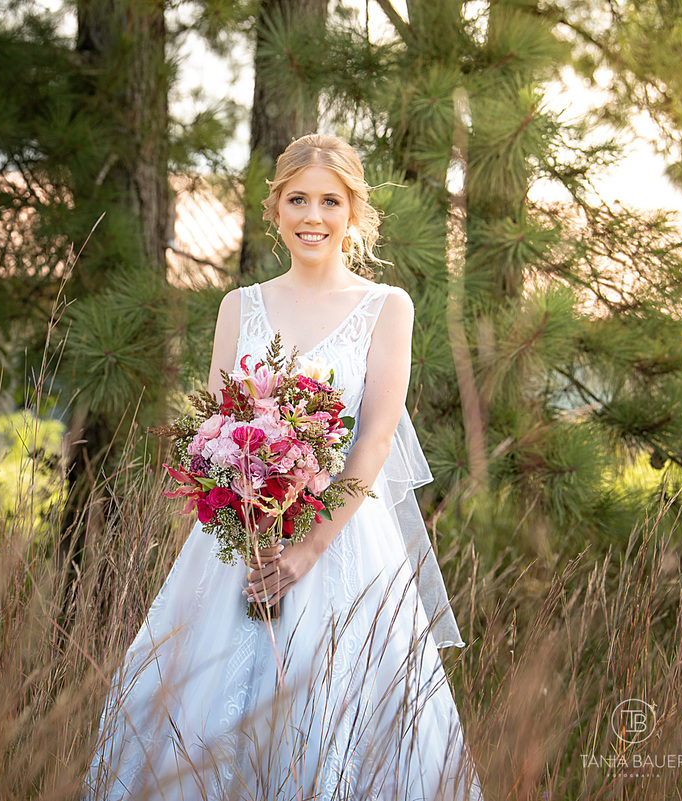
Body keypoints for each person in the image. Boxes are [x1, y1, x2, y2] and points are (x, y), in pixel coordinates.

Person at [84, 133, 485, 800]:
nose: (313, 216)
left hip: (343, 540)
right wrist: (243, 515)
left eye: (330, 200)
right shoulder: (239, 306)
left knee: (332, 716)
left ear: (354, 212)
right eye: (298, 199)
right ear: (275, 209)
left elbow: (376, 440)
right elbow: (211, 428)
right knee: (209, 717)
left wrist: (306, 549)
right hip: (238, 541)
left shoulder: (386, 308)